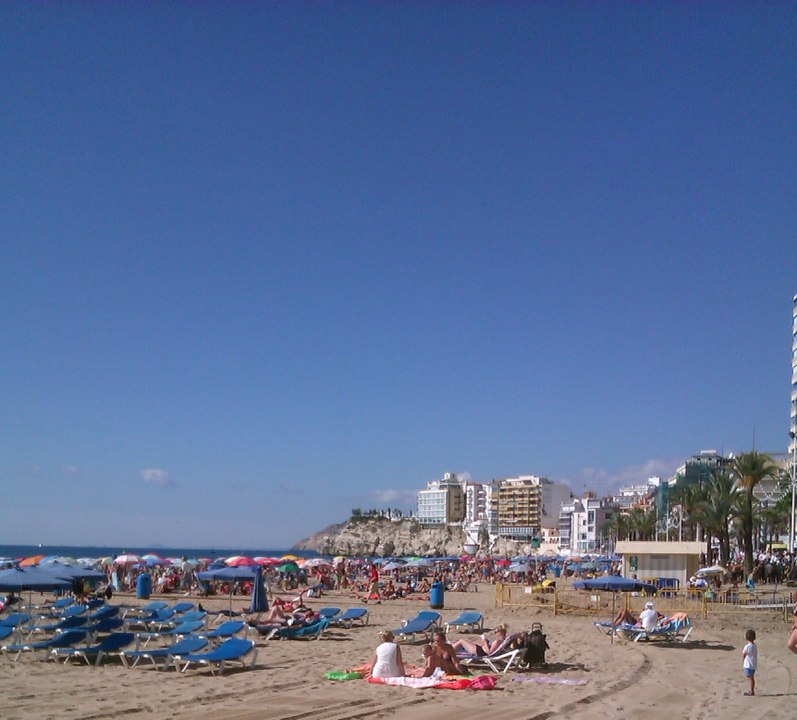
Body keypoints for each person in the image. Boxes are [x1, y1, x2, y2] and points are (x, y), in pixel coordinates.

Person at [742, 628, 757, 696]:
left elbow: (744, 654)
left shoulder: (747, 646)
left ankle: (751, 691)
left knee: (750, 678)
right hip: (753, 664)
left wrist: (743, 660)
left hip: (748, 665)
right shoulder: (754, 646)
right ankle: (752, 690)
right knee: (751, 677)